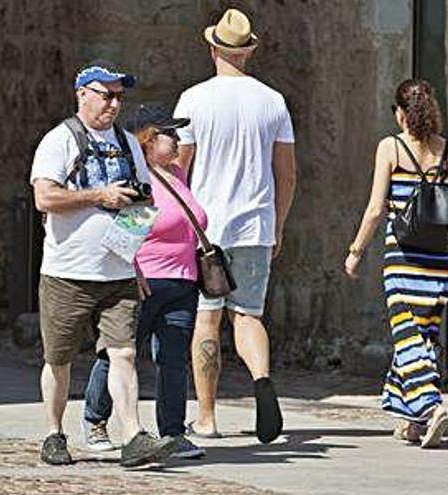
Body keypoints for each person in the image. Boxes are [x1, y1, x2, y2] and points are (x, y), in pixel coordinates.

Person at [30, 63, 176, 466]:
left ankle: (132, 437)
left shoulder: (129, 144)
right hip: (67, 273)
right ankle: (53, 434)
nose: (113, 103)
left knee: (124, 353)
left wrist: (137, 262)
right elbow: (45, 199)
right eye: (105, 94)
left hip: (119, 273)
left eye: (118, 96)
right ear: (82, 94)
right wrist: (99, 196)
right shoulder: (58, 141)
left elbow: (143, 204)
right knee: (58, 360)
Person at [172, 8, 297, 444]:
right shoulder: (273, 101)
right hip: (255, 225)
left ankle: (207, 417)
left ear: (213, 49)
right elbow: (287, 173)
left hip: (207, 228)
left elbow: (179, 171)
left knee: (207, 321)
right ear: (249, 51)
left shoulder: (193, 100)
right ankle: (261, 380)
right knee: (248, 315)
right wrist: (277, 224)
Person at [344, 79, 448, 448]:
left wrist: (356, 251)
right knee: (423, 338)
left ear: (400, 113)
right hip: (440, 262)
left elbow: (376, 209)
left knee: (407, 338)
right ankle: (409, 419)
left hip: (404, 261)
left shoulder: (390, 147)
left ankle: (431, 407)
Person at [81, 105, 208, 459]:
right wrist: (132, 276)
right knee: (119, 355)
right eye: (172, 134)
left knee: (173, 361)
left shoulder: (177, 174)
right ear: (149, 141)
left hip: (184, 283)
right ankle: (95, 420)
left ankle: (173, 432)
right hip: (145, 283)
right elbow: (123, 240)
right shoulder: (142, 181)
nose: (179, 140)